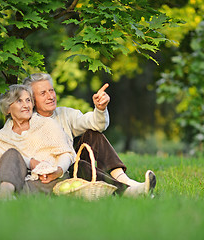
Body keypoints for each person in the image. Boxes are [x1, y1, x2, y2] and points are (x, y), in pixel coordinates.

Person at [0, 84, 148, 200]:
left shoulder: (47, 123)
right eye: (19, 101)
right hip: (21, 182)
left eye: (28, 100)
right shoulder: (0, 136)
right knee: (10, 154)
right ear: (7, 109)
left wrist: (57, 170)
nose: (26, 104)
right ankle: (4, 197)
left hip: (50, 181)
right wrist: (32, 163)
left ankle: (128, 189)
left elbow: (66, 152)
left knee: (80, 165)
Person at [23, 73, 156, 196]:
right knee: (79, 164)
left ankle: (124, 179)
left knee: (93, 134)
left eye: (51, 90)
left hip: (70, 163)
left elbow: (95, 124)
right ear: (32, 100)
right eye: (43, 93)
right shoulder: (26, 122)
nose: (50, 96)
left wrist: (100, 109)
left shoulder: (65, 114)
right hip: (55, 174)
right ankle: (126, 191)